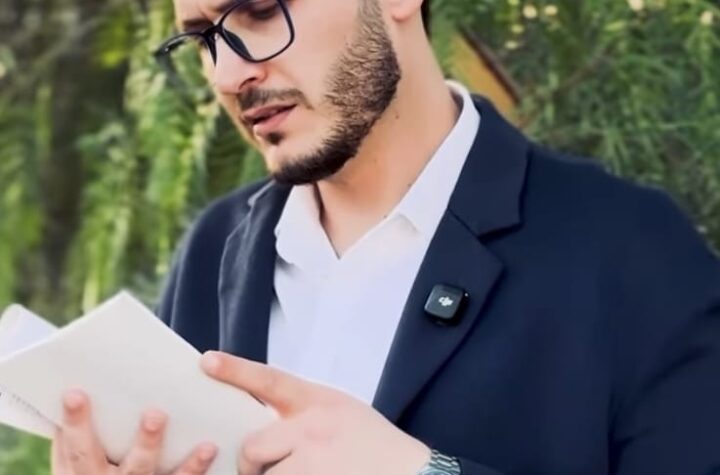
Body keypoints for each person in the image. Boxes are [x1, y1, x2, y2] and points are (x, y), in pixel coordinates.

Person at [51, 0, 720, 474]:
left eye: (260, 11)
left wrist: (424, 472)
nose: (228, 75)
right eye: (203, 41)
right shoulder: (214, 249)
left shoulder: (634, 250)